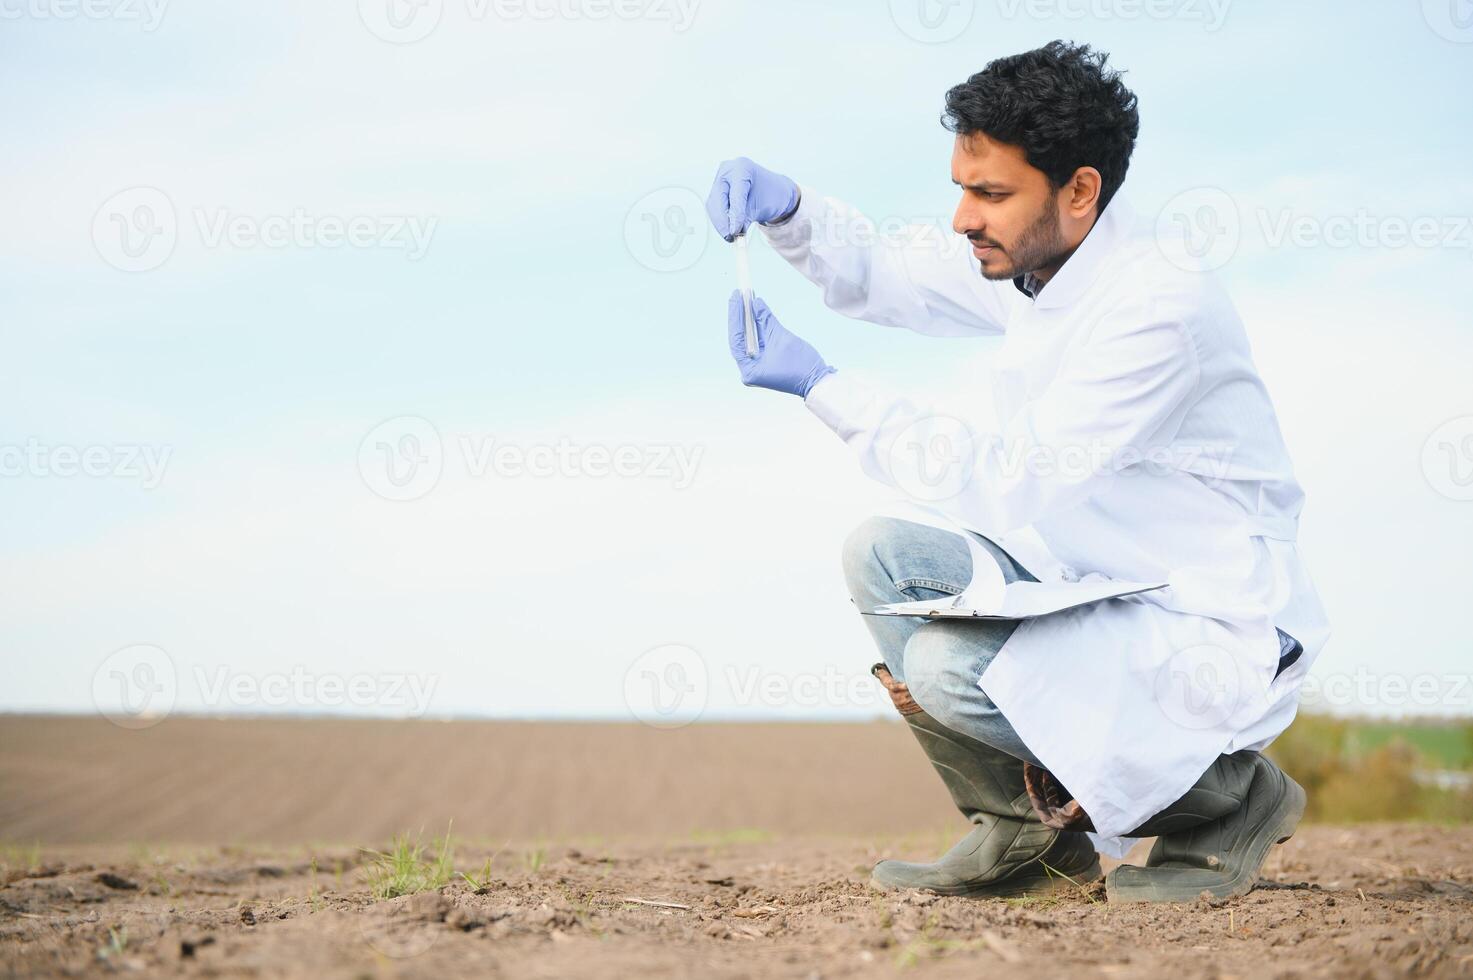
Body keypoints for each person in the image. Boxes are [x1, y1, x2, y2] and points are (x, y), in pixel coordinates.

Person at [704, 40, 1329, 903]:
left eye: (989, 193)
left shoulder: (1155, 308)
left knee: (952, 670)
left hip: (1202, 617)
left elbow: (1007, 480)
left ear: (1079, 190)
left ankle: (1229, 801)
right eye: (963, 186)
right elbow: (888, 274)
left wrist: (824, 387)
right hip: (1097, 580)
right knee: (880, 560)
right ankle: (1024, 837)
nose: (964, 218)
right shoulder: (1040, 258)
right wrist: (790, 211)